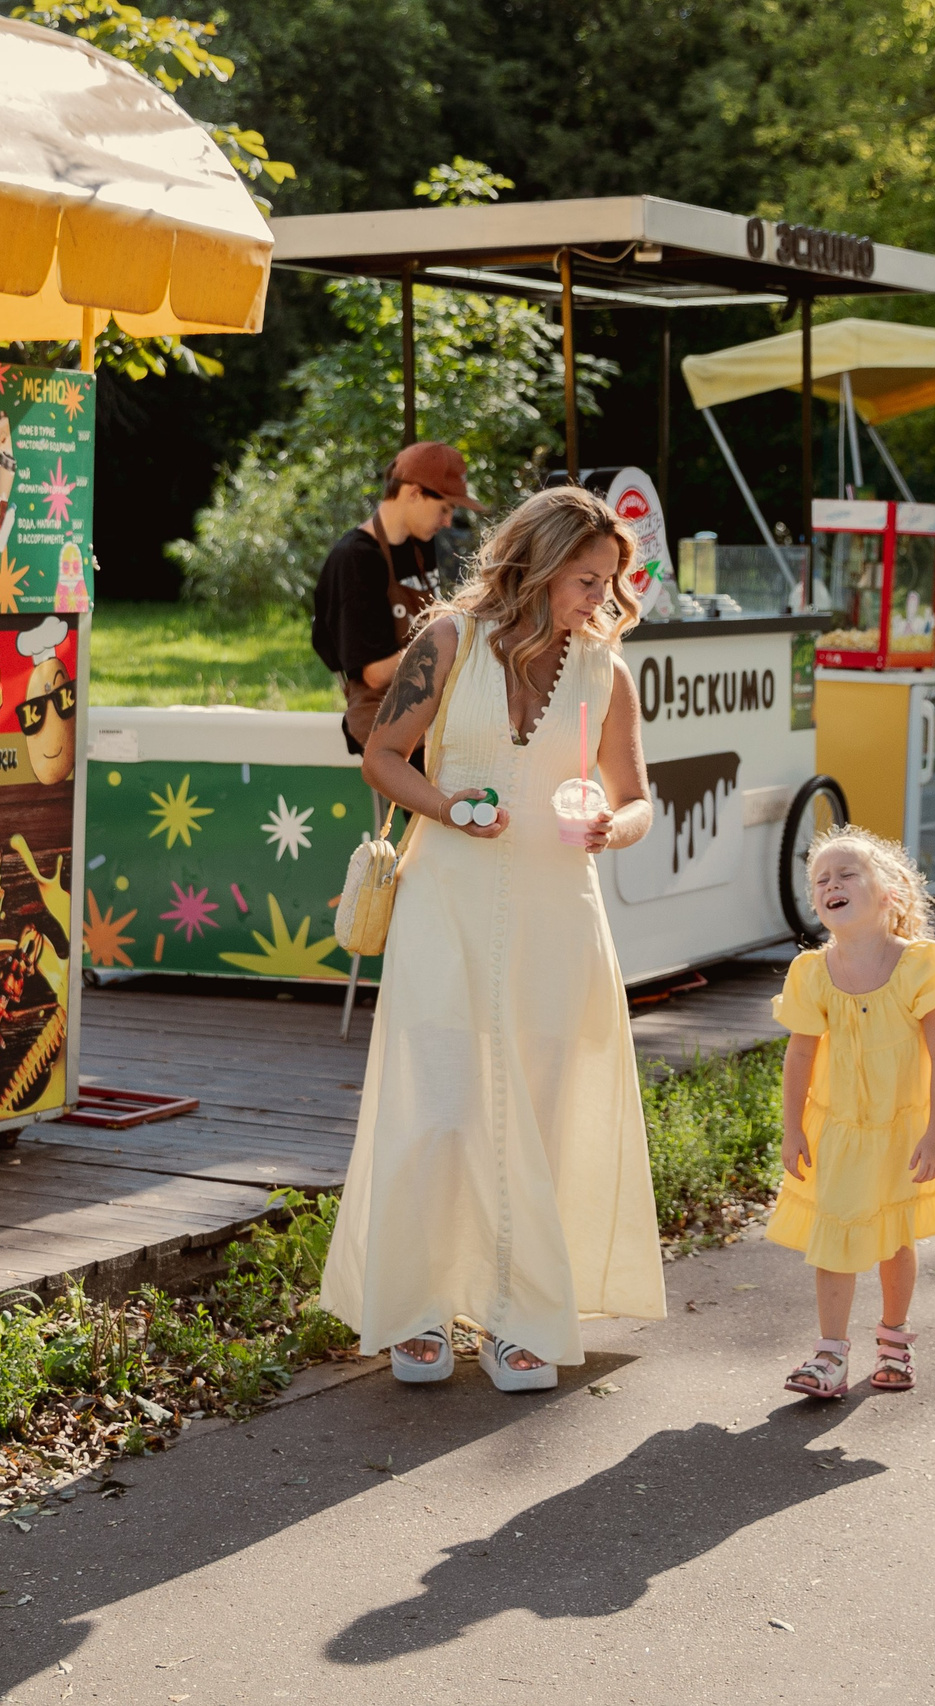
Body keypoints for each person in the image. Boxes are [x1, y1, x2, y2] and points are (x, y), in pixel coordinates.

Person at [319, 485, 666, 1392]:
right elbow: (382, 755)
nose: (601, 600)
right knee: (437, 1103)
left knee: (539, 1112)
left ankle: (520, 1314)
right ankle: (418, 1307)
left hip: (560, 909)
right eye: (587, 580)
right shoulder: (447, 641)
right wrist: (448, 806)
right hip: (448, 897)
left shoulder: (605, 672)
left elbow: (637, 799)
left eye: (609, 583)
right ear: (540, 566)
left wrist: (610, 827)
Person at [767, 827, 935, 1399]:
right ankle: (829, 1355)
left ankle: (895, 1342)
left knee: (893, 1237)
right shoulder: (811, 973)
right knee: (835, 1235)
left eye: (847, 874)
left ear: (890, 894)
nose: (831, 884)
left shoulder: (922, 965)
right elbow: (800, 1053)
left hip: (903, 1127)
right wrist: (792, 1127)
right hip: (841, 1129)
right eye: (820, 879)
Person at [310, 442, 480, 755]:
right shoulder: (356, 559)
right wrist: (444, 641)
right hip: (387, 718)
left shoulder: (419, 545)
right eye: (445, 507)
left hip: (433, 704)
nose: (447, 521)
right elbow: (375, 674)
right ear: (414, 493)